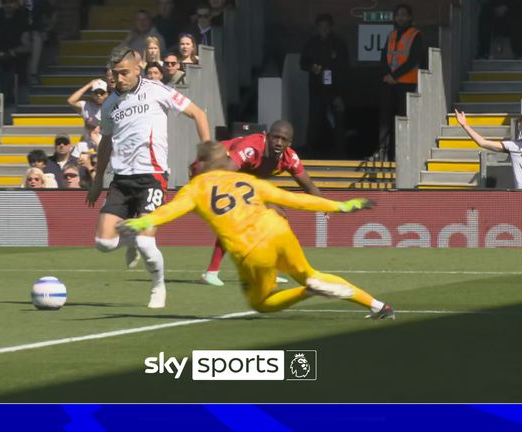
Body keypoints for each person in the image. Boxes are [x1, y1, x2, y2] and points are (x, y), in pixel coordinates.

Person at [118, 140, 394, 319]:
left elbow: (168, 212)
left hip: (252, 250)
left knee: (261, 303)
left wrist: (142, 222)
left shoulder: (196, 188)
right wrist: (341, 206)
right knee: (311, 273)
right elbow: (296, 199)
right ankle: (377, 305)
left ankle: (308, 291)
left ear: (200, 164)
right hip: (279, 231)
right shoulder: (247, 181)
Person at [86, 47, 210, 309]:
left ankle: (158, 288)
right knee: (103, 244)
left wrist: (208, 155)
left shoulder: (157, 90)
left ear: (137, 68)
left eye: (124, 73)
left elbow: (198, 114)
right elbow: (106, 143)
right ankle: (129, 236)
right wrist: (97, 182)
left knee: (146, 242)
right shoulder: (110, 104)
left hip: (152, 177)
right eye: (115, 74)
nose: (119, 79)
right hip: (121, 179)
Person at [193, 120, 324, 287]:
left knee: (277, 215)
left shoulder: (290, 158)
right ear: (267, 136)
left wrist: (324, 206)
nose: (278, 142)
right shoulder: (251, 147)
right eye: (275, 137)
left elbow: (308, 185)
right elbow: (225, 173)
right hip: (208, 172)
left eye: (284, 139)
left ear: (289, 143)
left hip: (239, 180)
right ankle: (211, 272)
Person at [378, 5, 425, 162]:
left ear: (410, 17)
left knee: (403, 119)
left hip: (407, 84)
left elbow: (413, 59)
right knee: (385, 119)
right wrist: (387, 75)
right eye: (398, 15)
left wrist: (395, 76)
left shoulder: (416, 35)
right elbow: (384, 56)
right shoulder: (391, 35)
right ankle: (383, 154)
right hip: (390, 83)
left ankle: (402, 154)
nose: (401, 18)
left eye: (404, 15)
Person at [300, 13, 349, 158]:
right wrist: (312, 68)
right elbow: (303, 63)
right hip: (317, 85)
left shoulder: (338, 44)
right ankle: (309, 151)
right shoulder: (311, 43)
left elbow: (345, 67)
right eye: (321, 27)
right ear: (317, 28)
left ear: (331, 27)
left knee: (338, 118)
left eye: (326, 27)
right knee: (314, 117)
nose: (324, 30)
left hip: (335, 85)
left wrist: (340, 93)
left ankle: (341, 152)